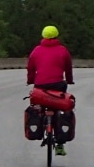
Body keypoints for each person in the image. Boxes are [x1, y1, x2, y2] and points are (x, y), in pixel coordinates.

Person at [26, 25, 74, 156]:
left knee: (38, 105)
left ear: (43, 36)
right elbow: (68, 68)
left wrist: (30, 80)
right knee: (59, 108)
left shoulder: (36, 50)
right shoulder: (63, 50)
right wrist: (69, 80)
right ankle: (60, 144)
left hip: (40, 85)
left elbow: (30, 68)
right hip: (58, 85)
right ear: (57, 36)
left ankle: (40, 123)